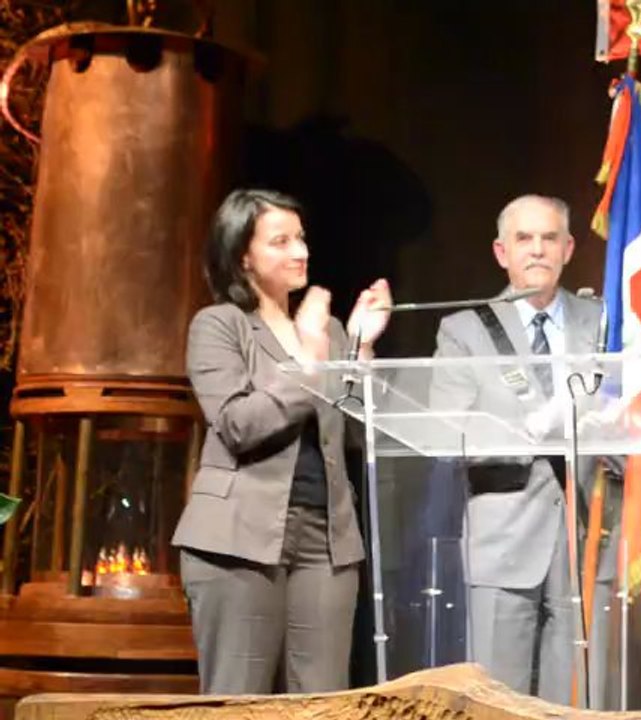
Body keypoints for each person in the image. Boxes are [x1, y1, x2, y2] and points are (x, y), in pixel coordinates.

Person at [172, 188, 393, 694]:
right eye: (281, 241)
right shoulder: (220, 325)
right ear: (242, 255)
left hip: (327, 537)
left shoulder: (329, 331)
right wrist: (310, 363)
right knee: (238, 698)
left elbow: (357, 427)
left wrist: (362, 345)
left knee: (322, 700)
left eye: (301, 238)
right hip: (238, 537)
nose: (301, 252)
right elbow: (238, 424)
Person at [428, 194, 609, 703]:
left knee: (575, 702)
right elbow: (449, 435)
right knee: (498, 701)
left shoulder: (602, 323)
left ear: (569, 248)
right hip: (502, 536)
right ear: (500, 252)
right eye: (523, 239)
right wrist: (534, 429)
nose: (537, 250)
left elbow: (634, 416)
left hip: (586, 532)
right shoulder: (464, 330)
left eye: (549, 238)